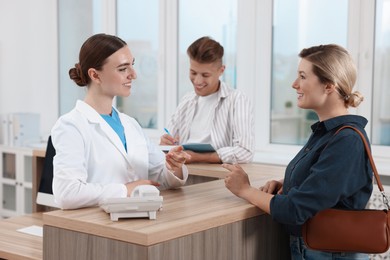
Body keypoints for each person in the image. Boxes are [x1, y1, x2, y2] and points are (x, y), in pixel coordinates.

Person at [223, 44, 373, 259]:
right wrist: (290, 183)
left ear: (329, 86)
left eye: (303, 76)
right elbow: (327, 190)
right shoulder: (328, 132)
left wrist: (245, 190)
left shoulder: (346, 140)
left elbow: (295, 210)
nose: (294, 84)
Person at [51, 33, 190, 210]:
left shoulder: (130, 124)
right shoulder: (71, 126)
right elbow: (67, 193)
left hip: (140, 221)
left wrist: (174, 166)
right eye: (123, 69)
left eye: (132, 65)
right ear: (95, 75)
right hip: (97, 227)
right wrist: (125, 190)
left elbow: (159, 178)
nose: (133, 75)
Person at [160, 36, 254, 164]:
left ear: (221, 70)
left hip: (219, 180)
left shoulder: (237, 100)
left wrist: (198, 157)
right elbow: (169, 142)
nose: (197, 81)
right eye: (193, 73)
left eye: (205, 75)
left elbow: (245, 152)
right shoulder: (186, 101)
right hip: (182, 176)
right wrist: (165, 144)